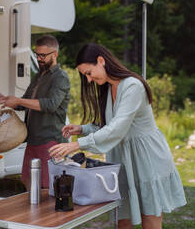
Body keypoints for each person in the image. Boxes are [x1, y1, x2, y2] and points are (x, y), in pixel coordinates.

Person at [49, 43, 186, 229]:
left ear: (101, 61)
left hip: (147, 159)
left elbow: (117, 129)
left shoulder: (133, 86)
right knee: (122, 219)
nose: (88, 80)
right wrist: (82, 129)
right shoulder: (108, 88)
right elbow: (107, 125)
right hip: (123, 159)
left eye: (89, 73)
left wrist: (76, 145)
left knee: (150, 220)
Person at [0, 35, 70, 189]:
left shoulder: (61, 77)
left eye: (43, 55)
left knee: (49, 187)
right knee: (27, 182)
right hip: (33, 139)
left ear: (55, 54)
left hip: (51, 140)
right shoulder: (39, 76)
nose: (39, 59)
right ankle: (34, 213)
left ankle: (49, 214)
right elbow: (25, 101)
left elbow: (51, 105)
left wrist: (19, 101)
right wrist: (7, 100)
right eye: (37, 54)